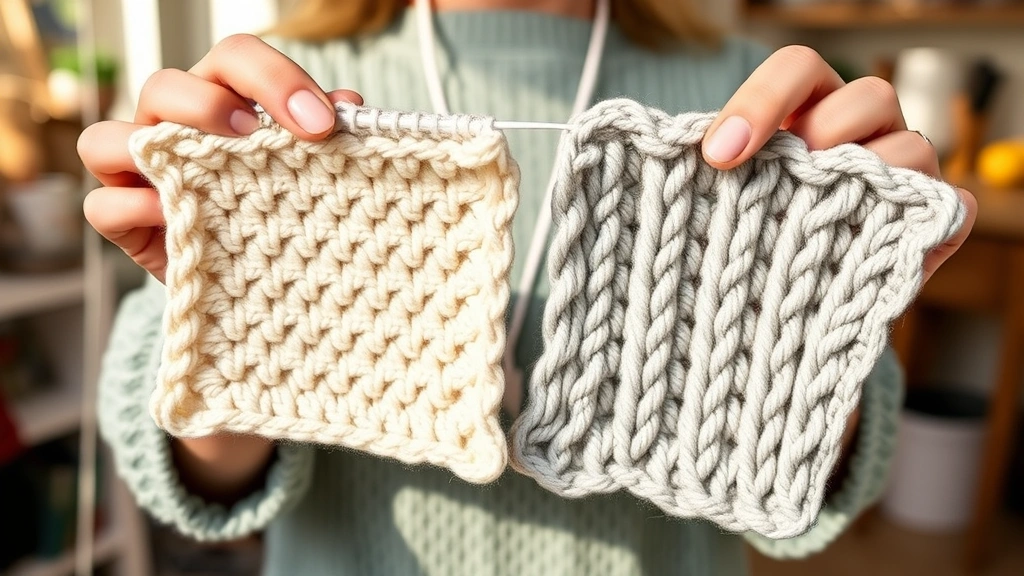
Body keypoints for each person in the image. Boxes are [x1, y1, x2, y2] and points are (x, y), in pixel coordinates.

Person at [79, 1, 977, 574]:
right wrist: (231, 293)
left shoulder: (763, 105)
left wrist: (844, 295)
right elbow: (201, 471)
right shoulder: (272, 98)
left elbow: (822, 476)